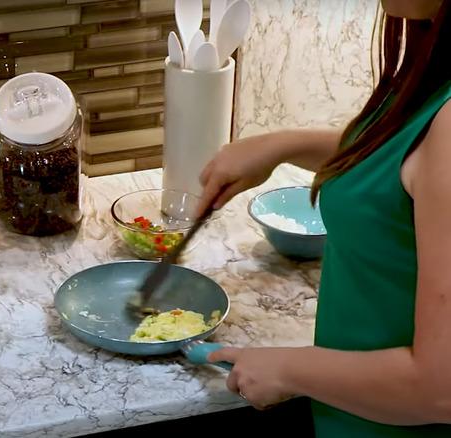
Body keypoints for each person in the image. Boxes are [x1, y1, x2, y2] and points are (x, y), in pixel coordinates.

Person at [194, 0, 451, 436]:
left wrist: (292, 368)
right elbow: (399, 170)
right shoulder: (431, 67)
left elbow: (440, 390)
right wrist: (284, 145)